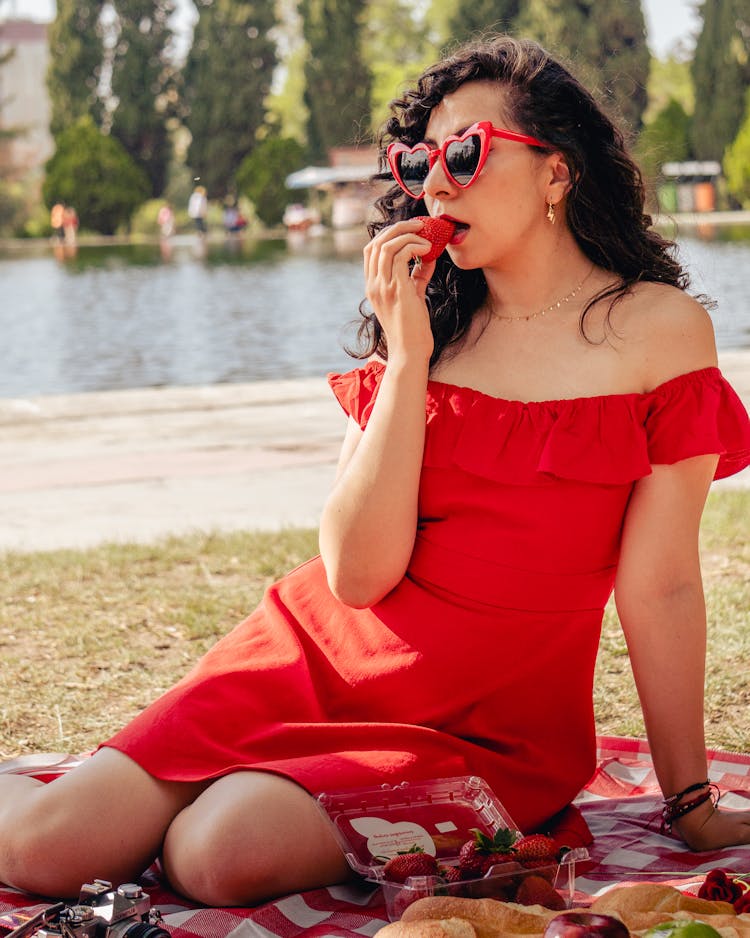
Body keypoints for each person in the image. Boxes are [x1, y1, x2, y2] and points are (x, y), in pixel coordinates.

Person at [1, 35, 750, 907]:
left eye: (466, 153)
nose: (434, 183)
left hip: (491, 733)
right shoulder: (423, 330)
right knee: (41, 853)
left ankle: (195, 808)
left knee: (218, 855)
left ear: (558, 171)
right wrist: (406, 363)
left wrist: (689, 800)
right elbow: (357, 575)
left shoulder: (658, 333)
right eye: (419, 160)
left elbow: (659, 586)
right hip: (305, 661)